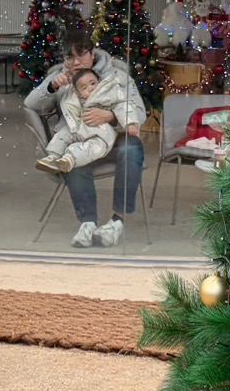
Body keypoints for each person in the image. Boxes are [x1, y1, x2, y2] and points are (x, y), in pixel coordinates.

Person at [25, 31, 146, 248]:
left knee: (132, 148)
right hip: (79, 141)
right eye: (69, 57)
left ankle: (117, 222)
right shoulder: (61, 78)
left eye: (80, 55)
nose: (75, 62)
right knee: (72, 158)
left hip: (113, 138)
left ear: (92, 54)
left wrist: (110, 116)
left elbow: (139, 112)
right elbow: (30, 104)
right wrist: (52, 87)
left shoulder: (117, 76)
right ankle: (87, 223)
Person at [36, 68, 141, 175]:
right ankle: (52, 156)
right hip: (79, 127)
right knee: (62, 135)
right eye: (84, 88)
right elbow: (70, 104)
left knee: (95, 146)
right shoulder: (75, 99)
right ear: (79, 93)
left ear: (99, 81)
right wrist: (55, 86)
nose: (90, 88)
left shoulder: (109, 94)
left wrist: (130, 123)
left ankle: (70, 159)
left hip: (101, 132)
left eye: (93, 83)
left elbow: (123, 106)